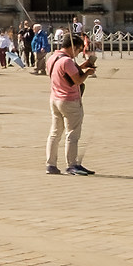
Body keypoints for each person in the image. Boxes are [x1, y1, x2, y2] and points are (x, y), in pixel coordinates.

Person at [44, 30, 91, 176]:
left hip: (55, 99)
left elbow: (62, 74)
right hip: (69, 100)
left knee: (55, 133)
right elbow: (77, 80)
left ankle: (50, 164)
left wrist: (81, 67)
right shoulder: (67, 61)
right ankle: (72, 165)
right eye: (77, 50)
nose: (77, 54)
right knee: (72, 134)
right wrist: (87, 73)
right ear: (72, 47)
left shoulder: (52, 58)